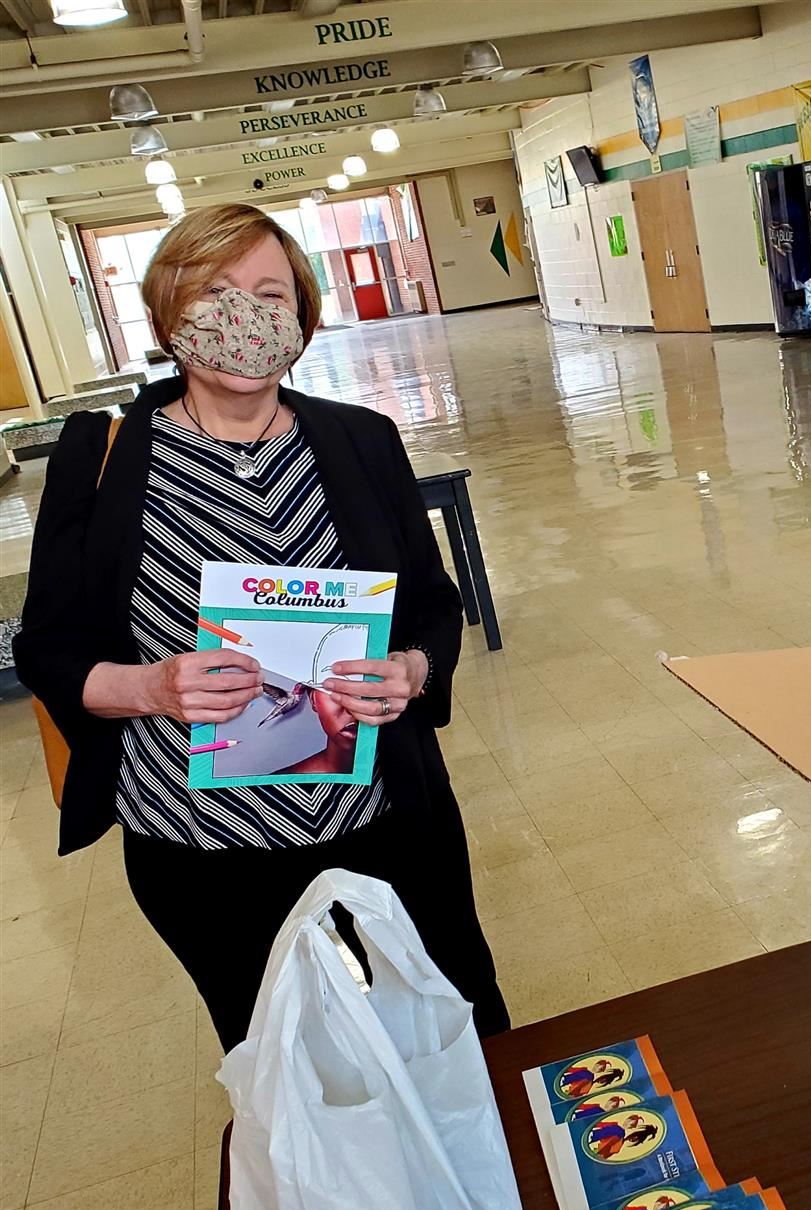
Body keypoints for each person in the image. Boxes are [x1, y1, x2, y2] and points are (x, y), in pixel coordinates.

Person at [15, 203, 508, 1050]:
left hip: (385, 819)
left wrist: (414, 669)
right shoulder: (101, 457)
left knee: (455, 1028)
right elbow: (48, 649)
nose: (245, 314)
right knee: (285, 1064)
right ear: (169, 311)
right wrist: (149, 687)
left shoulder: (360, 440)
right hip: (202, 845)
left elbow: (430, 601)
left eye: (269, 292)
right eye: (215, 290)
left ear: (303, 317)